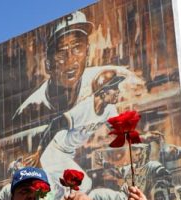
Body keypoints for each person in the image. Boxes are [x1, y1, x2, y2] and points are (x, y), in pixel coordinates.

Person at [13, 10, 142, 125]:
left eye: (77, 48)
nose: (71, 60)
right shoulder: (28, 111)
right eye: (61, 52)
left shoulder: (108, 79)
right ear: (48, 65)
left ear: (87, 51)